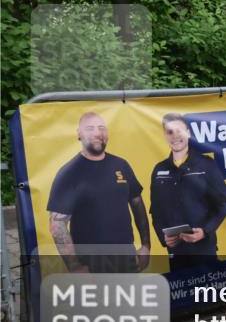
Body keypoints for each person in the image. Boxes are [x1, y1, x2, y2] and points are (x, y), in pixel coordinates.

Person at [47, 112, 150, 273]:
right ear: (79, 134)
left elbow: (136, 202)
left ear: (107, 134)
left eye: (101, 128)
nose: (97, 133)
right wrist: (74, 266)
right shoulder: (69, 173)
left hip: (126, 257)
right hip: (91, 263)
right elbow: (57, 224)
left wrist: (145, 246)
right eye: (90, 128)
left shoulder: (121, 165)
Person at [149, 113, 226, 271]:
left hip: (203, 249)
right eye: (169, 132)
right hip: (176, 252)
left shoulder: (206, 164)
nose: (175, 136)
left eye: (179, 130)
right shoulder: (159, 169)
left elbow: (224, 202)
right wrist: (164, 237)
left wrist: (205, 231)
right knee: (184, 293)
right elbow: (156, 211)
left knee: (209, 293)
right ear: (165, 136)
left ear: (188, 133)